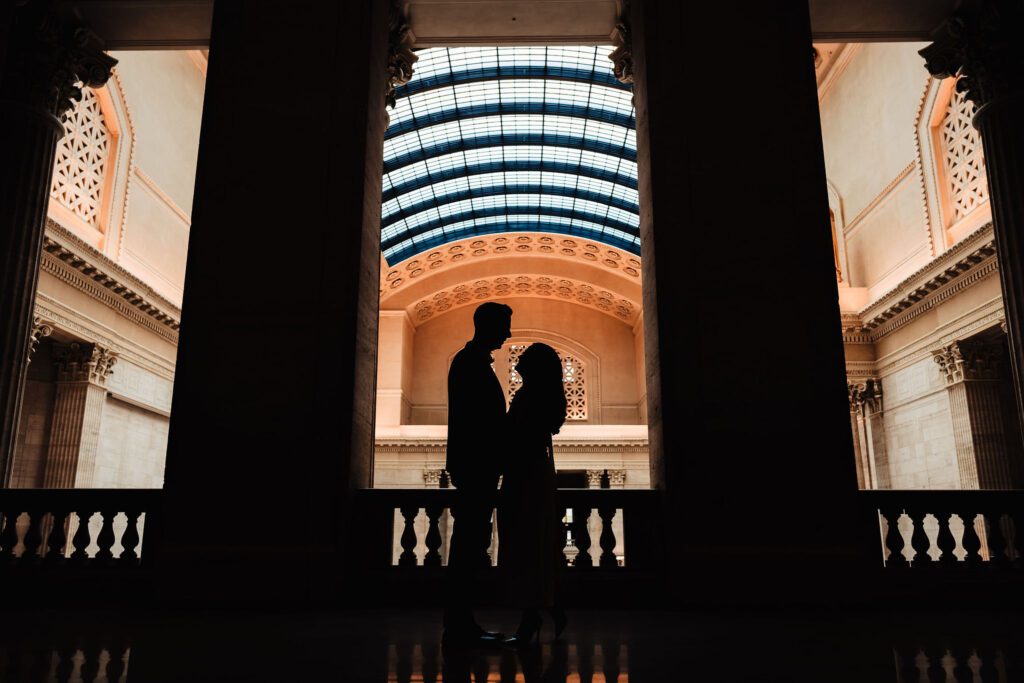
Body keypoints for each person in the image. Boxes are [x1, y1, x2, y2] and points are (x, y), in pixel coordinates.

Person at [443, 301, 513, 647]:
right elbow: (475, 422)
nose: (509, 334)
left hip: (476, 467)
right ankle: (458, 623)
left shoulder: (472, 362)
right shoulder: (470, 364)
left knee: (471, 544)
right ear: (487, 326)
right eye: (505, 326)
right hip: (476, 468)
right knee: (468, 546)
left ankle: (460, 621)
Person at [497, 342, 569, 647]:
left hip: (525, 477)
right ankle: (547, 609)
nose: (518, 363)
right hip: (532, 474)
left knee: (525, 544)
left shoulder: (531, 398)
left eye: (525, 359)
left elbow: (517, 436)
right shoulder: (541, 397)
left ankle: (533, 616)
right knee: (531, 544)